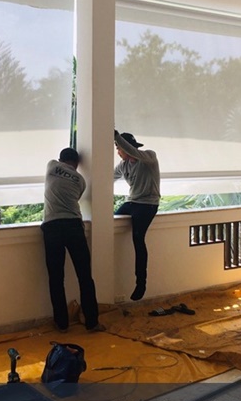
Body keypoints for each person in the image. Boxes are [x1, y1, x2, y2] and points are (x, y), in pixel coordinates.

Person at [41, 147, 104, 333]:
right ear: (76, 164)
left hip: (52, 226)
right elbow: (75, 197)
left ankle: (61, 324)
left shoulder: (51, 166)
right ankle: (92, 322)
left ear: (61, 159)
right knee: (84, 276)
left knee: (56, 277)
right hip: (74, 226)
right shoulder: (81, 180)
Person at [113, 130, 160, 301]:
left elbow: (133, 151)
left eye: (119, 148)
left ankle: (141, 283)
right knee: (111, 222)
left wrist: (116, 136)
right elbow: (107, 178)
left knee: (138, 238)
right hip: (132, 203)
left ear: (127, 148)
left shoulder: (149, 157)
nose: (118, 152)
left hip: (148, 204)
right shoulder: (123, 165)